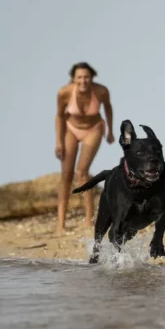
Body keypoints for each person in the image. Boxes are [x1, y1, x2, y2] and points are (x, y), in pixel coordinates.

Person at [55, 61, 114, 232]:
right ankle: (60, 224)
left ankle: (89, 220)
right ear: (73, 79)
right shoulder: (64, 92)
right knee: (66, 175)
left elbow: (108, 108)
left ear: (92, 77)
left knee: (82, 172)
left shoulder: (101, 91)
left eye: (86, 77)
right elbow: (59, 116)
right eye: (79, 77)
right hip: (71, 129)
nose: (83, 81)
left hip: (93, 129)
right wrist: (58, 141)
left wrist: (110, 131)